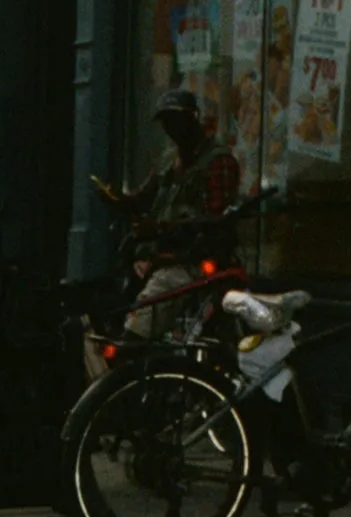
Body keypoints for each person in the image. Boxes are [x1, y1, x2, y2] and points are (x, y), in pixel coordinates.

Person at [92, 86, 241, 336]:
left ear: (193, 118)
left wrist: (161, 231)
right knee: (103, 300)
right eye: (166, 122)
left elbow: (214, 222)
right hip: (159, 255)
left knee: (146, 315)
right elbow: (141, 199)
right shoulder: (167, 160)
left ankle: (133, 347)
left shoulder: (218, 162)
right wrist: (116, 199)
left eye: (176, 120)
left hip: (192, 261)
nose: (171, 128)